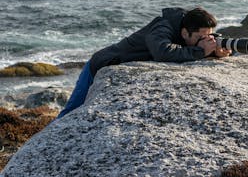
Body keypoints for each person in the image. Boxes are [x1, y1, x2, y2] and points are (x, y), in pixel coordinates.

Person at [57, 7, 230, 118]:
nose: (205, 40)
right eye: (201, 37)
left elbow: (195, 48)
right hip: (100, 65)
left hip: (119, 74)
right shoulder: (163, 27)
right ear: (185, 33)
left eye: (209, 36)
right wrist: (200, 51)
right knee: (70, 112)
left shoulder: (190, 30)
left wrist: (217, 52)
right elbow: (163, 52)